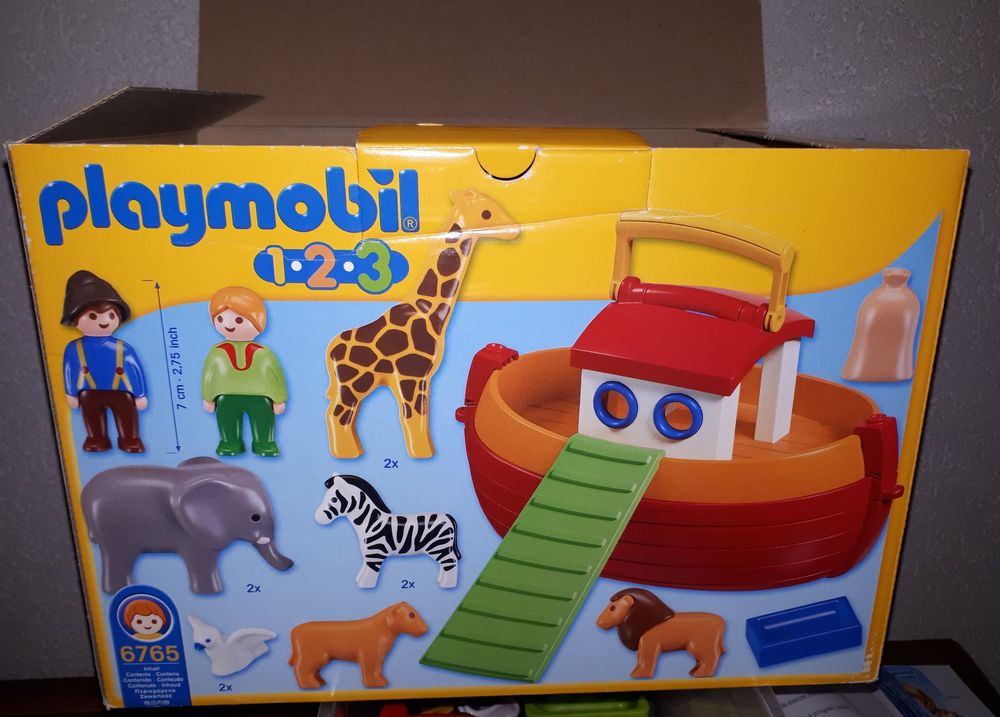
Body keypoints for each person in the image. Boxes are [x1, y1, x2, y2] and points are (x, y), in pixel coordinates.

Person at [61, 270, 147, 453]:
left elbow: (134, 369)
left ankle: (130, 439)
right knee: (92, 417)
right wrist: (71, 393)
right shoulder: (74, 348)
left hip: (121, 391)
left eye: (111, 315)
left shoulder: (123, 348)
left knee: (126, 416)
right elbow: (69, 370)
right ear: (75, 319)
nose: (104, 321)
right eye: (93, 316)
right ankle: (96, 438)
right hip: (89, 392)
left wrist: (139, 394)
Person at [202, 287, 287, 457]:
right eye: (220, 319)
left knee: (263, 420)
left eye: (239, 320)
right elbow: (209, 376)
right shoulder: (216, 352)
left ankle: (264, 443)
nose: (228, 325)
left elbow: (275, 375)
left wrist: (279, 399)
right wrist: (208, 398)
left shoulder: (263, 353)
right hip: (226, 396)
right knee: (226, 420)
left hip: (260, 397)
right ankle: (230, 442)